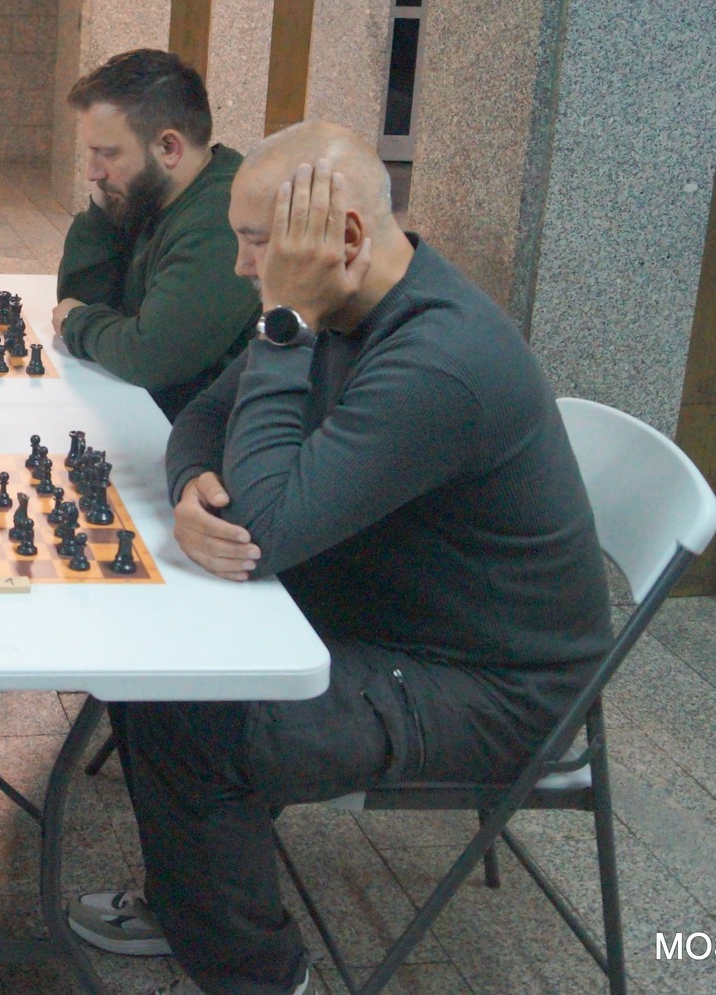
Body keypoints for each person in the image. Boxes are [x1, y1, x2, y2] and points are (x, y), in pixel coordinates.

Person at [66, 122, 613, 995]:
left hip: (493, 685)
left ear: (341, 238)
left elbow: (266, 528)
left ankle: (259, 976)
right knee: (150, 662)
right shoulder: (350, 304)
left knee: (194, 719)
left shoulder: (437, 359)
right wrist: (193, 484)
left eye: (256, 242)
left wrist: (284, 327)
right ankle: (193, 899)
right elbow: (202, 415)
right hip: (392, 606)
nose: (242, 267)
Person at [52, 49, 260, 420]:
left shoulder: (225, 217)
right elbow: (80, 299)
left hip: (197, 435)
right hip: (143, 410)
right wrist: (102, 210)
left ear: (169, 148)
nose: (91, 172)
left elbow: (150, 356)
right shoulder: (154, 191)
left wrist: (77, 325)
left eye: (106, 153)